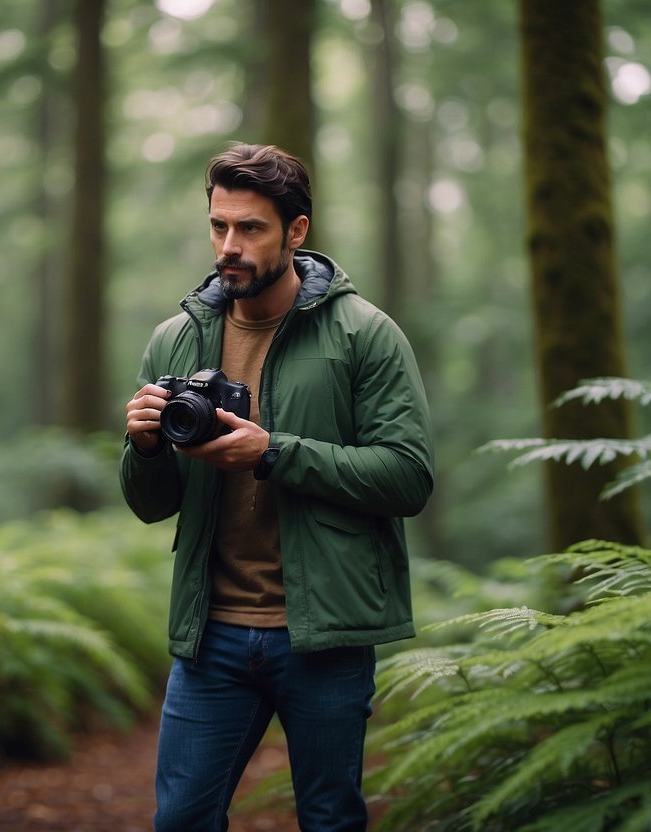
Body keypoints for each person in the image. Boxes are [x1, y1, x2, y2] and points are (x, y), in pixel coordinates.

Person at [120, 143, 434, 831]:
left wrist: (275, 452)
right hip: (211, 635)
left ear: (296, 231)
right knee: (180, 820)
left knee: (329, 819)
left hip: (322, 633)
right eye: (218, 226)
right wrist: (143, 446)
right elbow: (151, 506)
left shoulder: (365, 335)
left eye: (250, 228)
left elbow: (409, 477)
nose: (228, 246)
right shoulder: (175, 340)